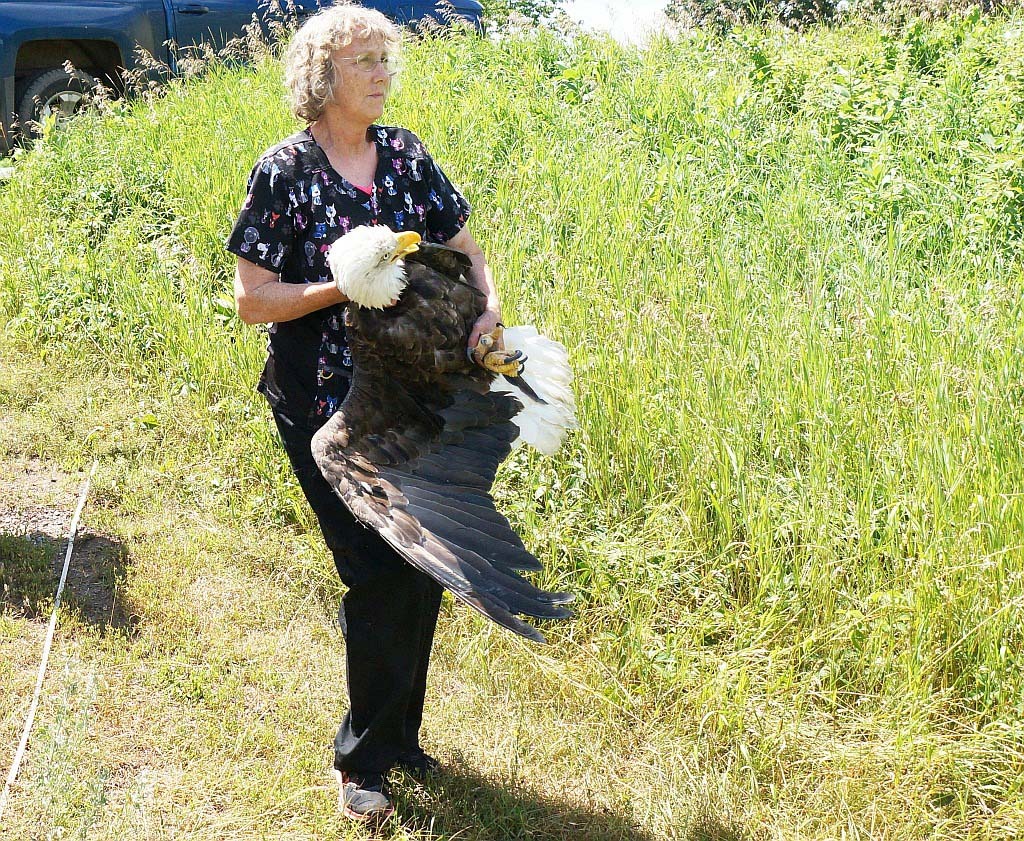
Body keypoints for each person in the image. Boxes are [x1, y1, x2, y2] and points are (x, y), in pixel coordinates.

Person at [225, 4, 502, 822]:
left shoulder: (407, 155)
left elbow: (468, 250)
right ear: (323, 75)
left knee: (424, 568)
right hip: (324, 411)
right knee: (378, 570)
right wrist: (335, 289)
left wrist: (486, 311)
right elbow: (252, 302)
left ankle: (398, 738)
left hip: (410, 396)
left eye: (388, 58)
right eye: (365, 60)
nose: (383, 72)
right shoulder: (286, 170)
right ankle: (359, 762)